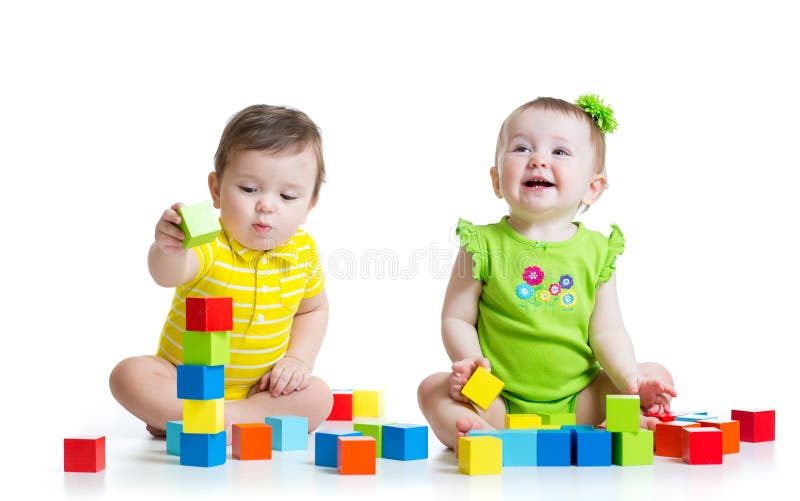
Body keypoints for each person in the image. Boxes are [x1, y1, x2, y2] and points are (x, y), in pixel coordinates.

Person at [417, 95, 677, 450]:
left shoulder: (597, 251)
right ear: (496, 180)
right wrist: (471, 362)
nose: (537, 160)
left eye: (560, 152)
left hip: (580, 402)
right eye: (522, 148)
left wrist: (632, 379)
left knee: (655, 372)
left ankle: (618, 421)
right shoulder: (482, 244)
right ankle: (480, 434)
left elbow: (607, 331)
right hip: (498, 398)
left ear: (592, 187)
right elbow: (456, 318)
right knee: (432, 388)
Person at [110, 105, 333, 440]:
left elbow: (313, 309)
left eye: (287, 196)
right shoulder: (209, 243)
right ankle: (208, 416)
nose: (266, 205)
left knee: (318, 397)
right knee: (129, 375)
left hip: (259, 390)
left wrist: (298, 360)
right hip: (184, 380)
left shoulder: (302, 252)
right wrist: (171, 248)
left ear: (309, 206)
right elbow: (168, 274)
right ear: (216, 190)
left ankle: (214, 419)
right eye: (248, 189)